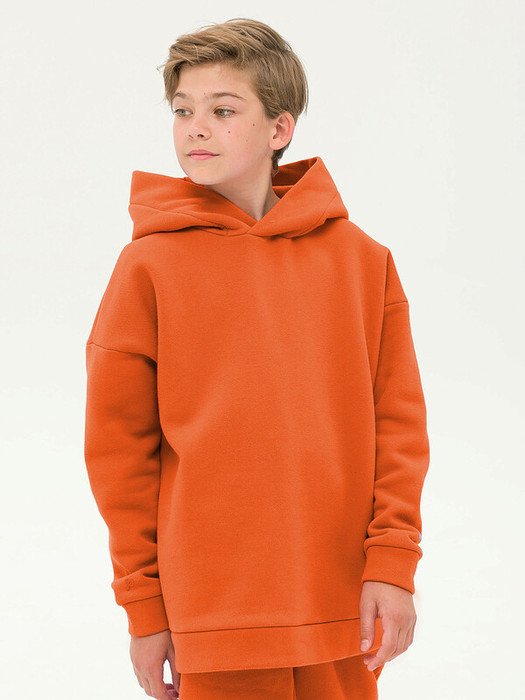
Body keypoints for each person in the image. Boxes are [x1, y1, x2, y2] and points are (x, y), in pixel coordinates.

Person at [84, 16, 430, 700]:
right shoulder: (147, 268)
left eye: (222, 110)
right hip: (215, 613)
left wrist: (393, 564)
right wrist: (143, 605)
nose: (195, 129)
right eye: (182, 111)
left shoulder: (363, 263)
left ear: (280, 128)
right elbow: (119, 452)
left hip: (340, 605)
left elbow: (397, 426)